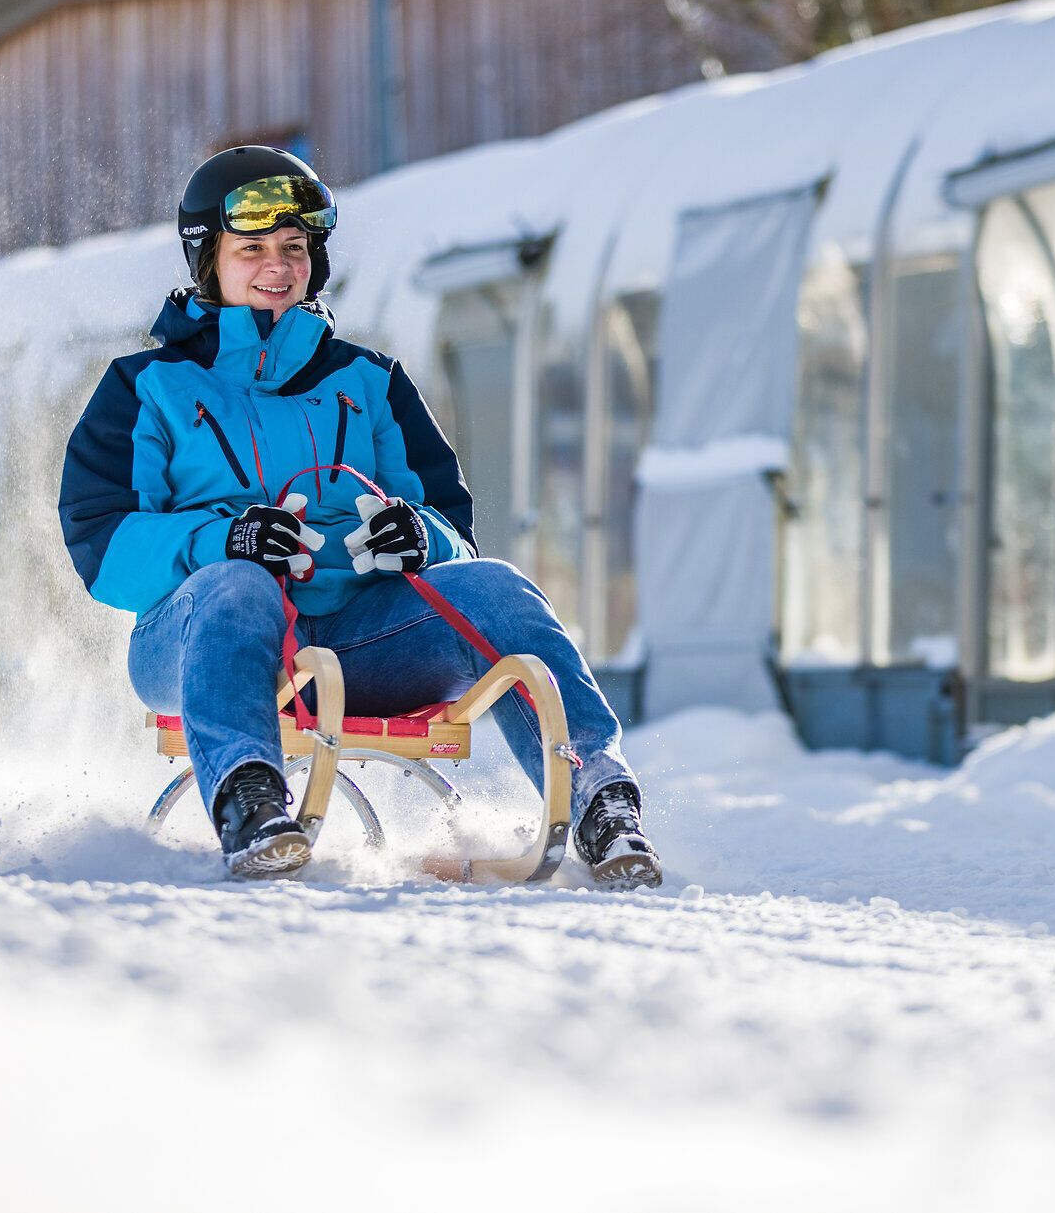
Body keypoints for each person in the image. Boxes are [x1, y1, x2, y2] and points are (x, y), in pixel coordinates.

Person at [59, 145, 661, 887]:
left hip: (357, 644)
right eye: (251, 249)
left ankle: (601, 798)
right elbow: (103, 545)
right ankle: (251, 800)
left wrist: (419, 536)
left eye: (294, 247)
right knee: (238, 583)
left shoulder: (369, 382)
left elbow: (451, 526)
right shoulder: (146, 387)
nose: (278, 266)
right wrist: (224, 540)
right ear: (207, 259)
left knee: (496, 587)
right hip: (199, 641)